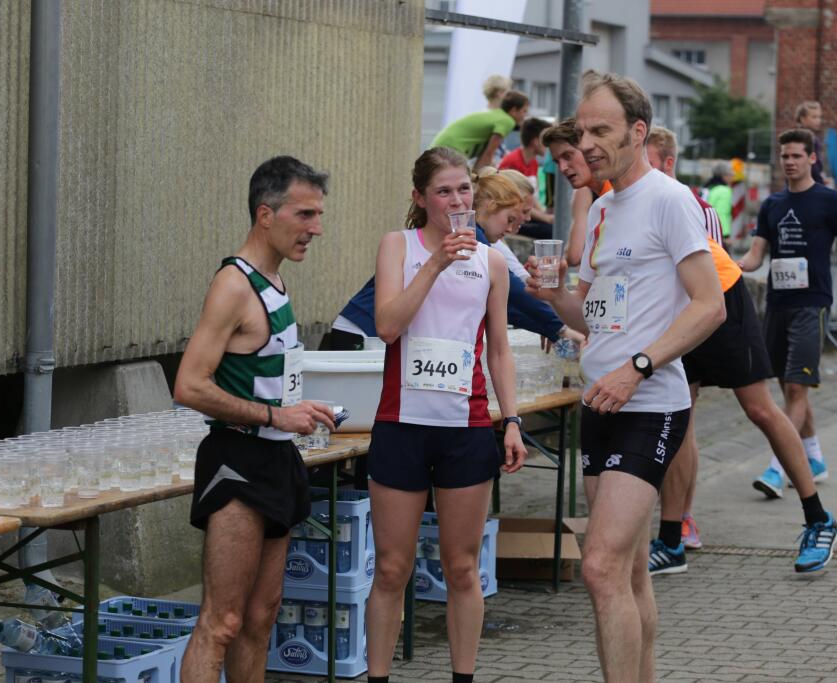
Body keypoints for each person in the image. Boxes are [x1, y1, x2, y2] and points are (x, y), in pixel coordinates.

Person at [526, 70, 725, 683]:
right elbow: (592, 316)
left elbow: (709, 305)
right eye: (582, 131)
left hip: (649, 403)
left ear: (638, 132)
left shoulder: (669, 199)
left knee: (599, 567)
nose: (586, 144)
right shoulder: (603, 207)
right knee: (630, 572)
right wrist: (553, 296)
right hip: (600, 403)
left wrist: (638, 367)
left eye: (601, 131)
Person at [645, 126, 837, 575]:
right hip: (678, 311)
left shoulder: (679, 199)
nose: (572, 164)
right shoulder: (609, 200)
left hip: (721, 298)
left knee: (759, 409)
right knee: (679, 416)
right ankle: (672, 538)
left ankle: (819, 518)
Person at [364, 147, 528, 683]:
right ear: (420, 198)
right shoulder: (399, 246)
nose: (456, 201)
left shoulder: (492, 262)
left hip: (466, 427)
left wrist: (512, 420)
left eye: (463, 190)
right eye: (443, 191)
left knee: (462, 568)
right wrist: (436, 263)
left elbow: (499, 349)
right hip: (402, 425)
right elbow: (387, 326)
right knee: (392, 568)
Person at [173, 156, 338, 683]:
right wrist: (276, 415)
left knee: (261, 618)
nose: (316, 228)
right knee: (221, 622)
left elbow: (265, 378)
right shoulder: (234, 284)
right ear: (265, 215)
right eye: (305, 214)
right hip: (236, 462)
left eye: (318, 214)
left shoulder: (275, 279)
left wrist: (300, 409)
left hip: (277, 459)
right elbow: (189, 385)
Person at [738, 129, 837, 498]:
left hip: (813, 303)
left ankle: (779, 468)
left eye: (796, 156)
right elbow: (755, 256)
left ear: (812, 158)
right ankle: (815, 458)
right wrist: (725, 263)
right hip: (778, 305)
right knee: (791, 388)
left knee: (796, 386)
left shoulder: (830, 201)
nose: (789, 162)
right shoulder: (772, 205)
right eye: (785, 156)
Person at [319, 171, 575, 352]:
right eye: (510, 219)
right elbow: (515, 294)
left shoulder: (475, 244)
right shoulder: (469, 240)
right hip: (362, 331)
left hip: (371, 333)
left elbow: (500, 302)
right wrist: (558, 328)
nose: (510, 230)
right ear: (489, 206)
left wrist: (548, 327)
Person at [540, 118, 612, 267]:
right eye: (557, 162)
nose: (562, 168)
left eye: (568, 156)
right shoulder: (588, 191)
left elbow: (574, 256)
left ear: (589, 150)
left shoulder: (616, 192)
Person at [430, 91, 530, 172]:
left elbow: (484, 155)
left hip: (443, 143)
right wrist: (477, 180)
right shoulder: (508, 121)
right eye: (524, 111)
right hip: (451, 146)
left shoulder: (497, 114)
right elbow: (488, 154)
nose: (526, 115)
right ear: (513, 110)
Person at [500, 117, 555, 237]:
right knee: (551, 231)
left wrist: (544, 214)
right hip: (514, 218)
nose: (548, 145)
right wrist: (546, 218)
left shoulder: (533, 162)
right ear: (535, 141)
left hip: (526, 214)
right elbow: (515, 203)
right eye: (545, 140)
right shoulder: (512, 161)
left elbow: (532, 197)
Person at [795, 101, 829, 185]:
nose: (818, 120)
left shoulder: (805, 136)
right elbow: (812, 165)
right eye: (814, 117)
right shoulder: (806, 139)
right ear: (803, 119)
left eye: (819, 117)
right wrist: (820, 181)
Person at [704, 163, 734, 247]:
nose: (733, 175)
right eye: (730, 173)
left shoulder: (707, 188)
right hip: (716, 234)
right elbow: (721, 213)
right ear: (723, 176)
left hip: (703, 230)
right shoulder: (724, 190)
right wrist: (725, 235)